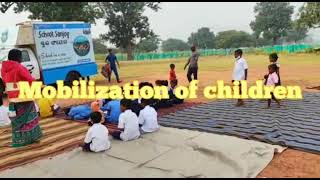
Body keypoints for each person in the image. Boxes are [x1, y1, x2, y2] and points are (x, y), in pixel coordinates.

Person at [1, 49, 42, 147]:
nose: (21, 59)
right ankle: (31, 138)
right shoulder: (19, 67)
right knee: (29, 117)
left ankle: (19, 139)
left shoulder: (3, 68)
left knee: (17, 118)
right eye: (20, 57)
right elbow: (30, 80)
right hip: (24, 97)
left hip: (12, 98)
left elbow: (5, 81)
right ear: (17, 58)